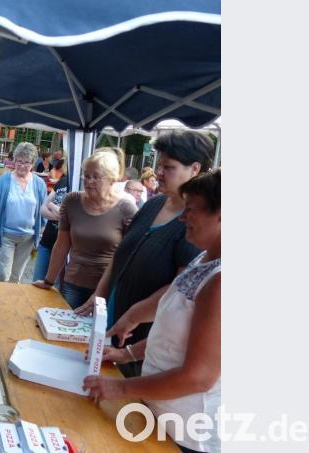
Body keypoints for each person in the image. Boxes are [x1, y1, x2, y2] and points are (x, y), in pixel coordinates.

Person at [83, 170, 221, 453]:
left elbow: (199, 376)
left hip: (189, 436)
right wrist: (127, 353)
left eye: (191, 210)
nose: (183, 218)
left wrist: (120, 388)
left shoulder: (222, 282)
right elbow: (176, 339)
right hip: (160, 418)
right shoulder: (203, 258)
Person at [74, 130, 213, 377]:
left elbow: (180, 288)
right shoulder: (153, 204)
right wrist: (99, 295)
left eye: (168, 167)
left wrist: (135, 315)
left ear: (194, 169)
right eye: (159, 165)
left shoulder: (196, 225)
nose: (159, 172)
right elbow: (121, 256)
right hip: (115, 322)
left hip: (142, 340)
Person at [33, 151, 137, 308]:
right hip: (73, 284)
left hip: (108, 290)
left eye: (96, 176)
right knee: (66, 329)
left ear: (112, 179)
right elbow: (61, 245)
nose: (89, 181)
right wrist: (48, 281)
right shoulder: (72, 201)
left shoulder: (126, 209)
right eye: (87, 176)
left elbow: (130, 255)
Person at [0, 143, 48, 283]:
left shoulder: (39, 183)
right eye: (19, 161)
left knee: (15, 277)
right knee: (2, 275)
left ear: (33, 164)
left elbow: (43, 209)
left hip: (28, 238)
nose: (22, 165)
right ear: (14, 160)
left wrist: (41, 231)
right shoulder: (4, 180)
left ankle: (10, 304)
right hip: (5, 236)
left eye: (27, 162)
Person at [32, 158, 69, 283]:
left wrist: (51, 206)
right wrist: (57, 212)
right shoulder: (63, 181)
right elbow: (43, 208)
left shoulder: (79, 186)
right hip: (47, 242)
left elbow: (66, 216)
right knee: (37, 282)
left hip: (65, 249)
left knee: (54, 289)